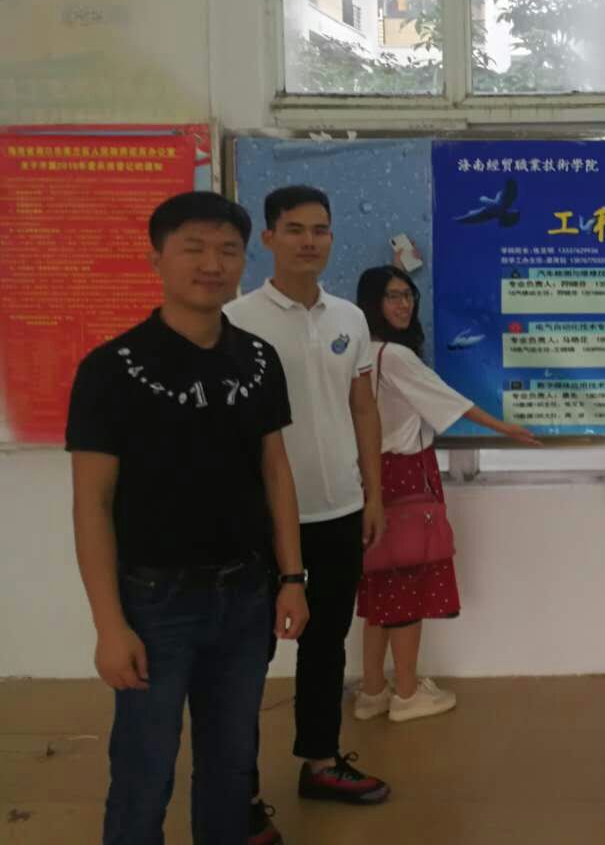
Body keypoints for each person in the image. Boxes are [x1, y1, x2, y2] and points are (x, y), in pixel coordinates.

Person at [67, 191, 309, 845]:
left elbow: (275, 472)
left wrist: (292, 578)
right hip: (154, 602)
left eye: (227, 250)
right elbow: (91, 504)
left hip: (246, 594)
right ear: (157, 259)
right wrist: (109, 625)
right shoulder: (111, 369)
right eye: (193, 248)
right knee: (144, 769)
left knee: (231, 766)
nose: (212, 264)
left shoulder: (257, 359)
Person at [224, 186, 389, 844]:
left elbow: (363, 408)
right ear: (268, 239)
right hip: (261, 519)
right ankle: (237, 792)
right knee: (246, 655)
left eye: (320, 229)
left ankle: (320, 762)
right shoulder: (235, 320)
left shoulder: (350, 317)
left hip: (340, 509)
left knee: (326, 642)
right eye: (294, 229)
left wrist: (373, 493)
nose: (309, 241)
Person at [352, 264, 540, 722]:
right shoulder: (396, 357)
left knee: (379, 588)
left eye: (407, 295)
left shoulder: (361, 352)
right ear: (373, 303)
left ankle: (373, 690)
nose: (403, 304)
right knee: (405, 586)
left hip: (370, 476)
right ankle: (407, 694)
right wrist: (505, 428)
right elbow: (453, 401)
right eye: (392, 296)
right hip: (405, 476)